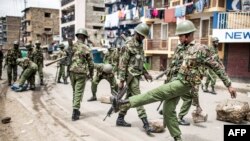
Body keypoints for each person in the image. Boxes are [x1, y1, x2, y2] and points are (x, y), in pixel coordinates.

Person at [111, 20, 237, 141]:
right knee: (167, 111)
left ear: (187, 36)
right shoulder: (180, 48)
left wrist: (229, 85)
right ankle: (177, 138)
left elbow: (217, 67)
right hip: (174, 82)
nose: (178, 38)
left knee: (153, 94)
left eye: (180, 36)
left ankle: (122, 104)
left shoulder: (201, 49)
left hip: (184, 83)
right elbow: (174, 67)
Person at [116, 23, 154, 134]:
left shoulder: (139, 44)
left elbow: (140, 62)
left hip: (137, 75)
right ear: (136, 33)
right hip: (130, 76)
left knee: (129, 98)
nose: (142, 38)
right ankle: (146, 124)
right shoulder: (128, 45)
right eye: (141, 35)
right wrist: (121, 81)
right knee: (139, 98)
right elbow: (122, 63)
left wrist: (145, 73)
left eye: (144, 36)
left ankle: (120, 118)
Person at [69, 28, 94, 121]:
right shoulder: (86, 48)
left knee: (75, 91)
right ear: (84, 37)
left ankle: (75, 108)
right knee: (78, 92)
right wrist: (91, 74)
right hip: (81, 72)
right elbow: (91, 64)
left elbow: (68, 58)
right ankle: (75, 112)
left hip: (72, 71)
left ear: (77, 36)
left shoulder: (72, 46)